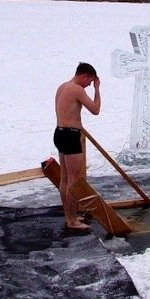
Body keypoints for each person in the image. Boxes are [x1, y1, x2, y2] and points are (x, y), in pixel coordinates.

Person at [54, 62, 101, 230]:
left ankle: (69, 216)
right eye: (89, 82)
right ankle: (72, 220)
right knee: (73, 180)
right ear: (84, 76)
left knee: (65, 178)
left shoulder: (62, 87)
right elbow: (95, 109)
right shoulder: (77, 89)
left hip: (59, 132)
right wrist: (97, 90)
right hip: (70, 134)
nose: (89, 85)